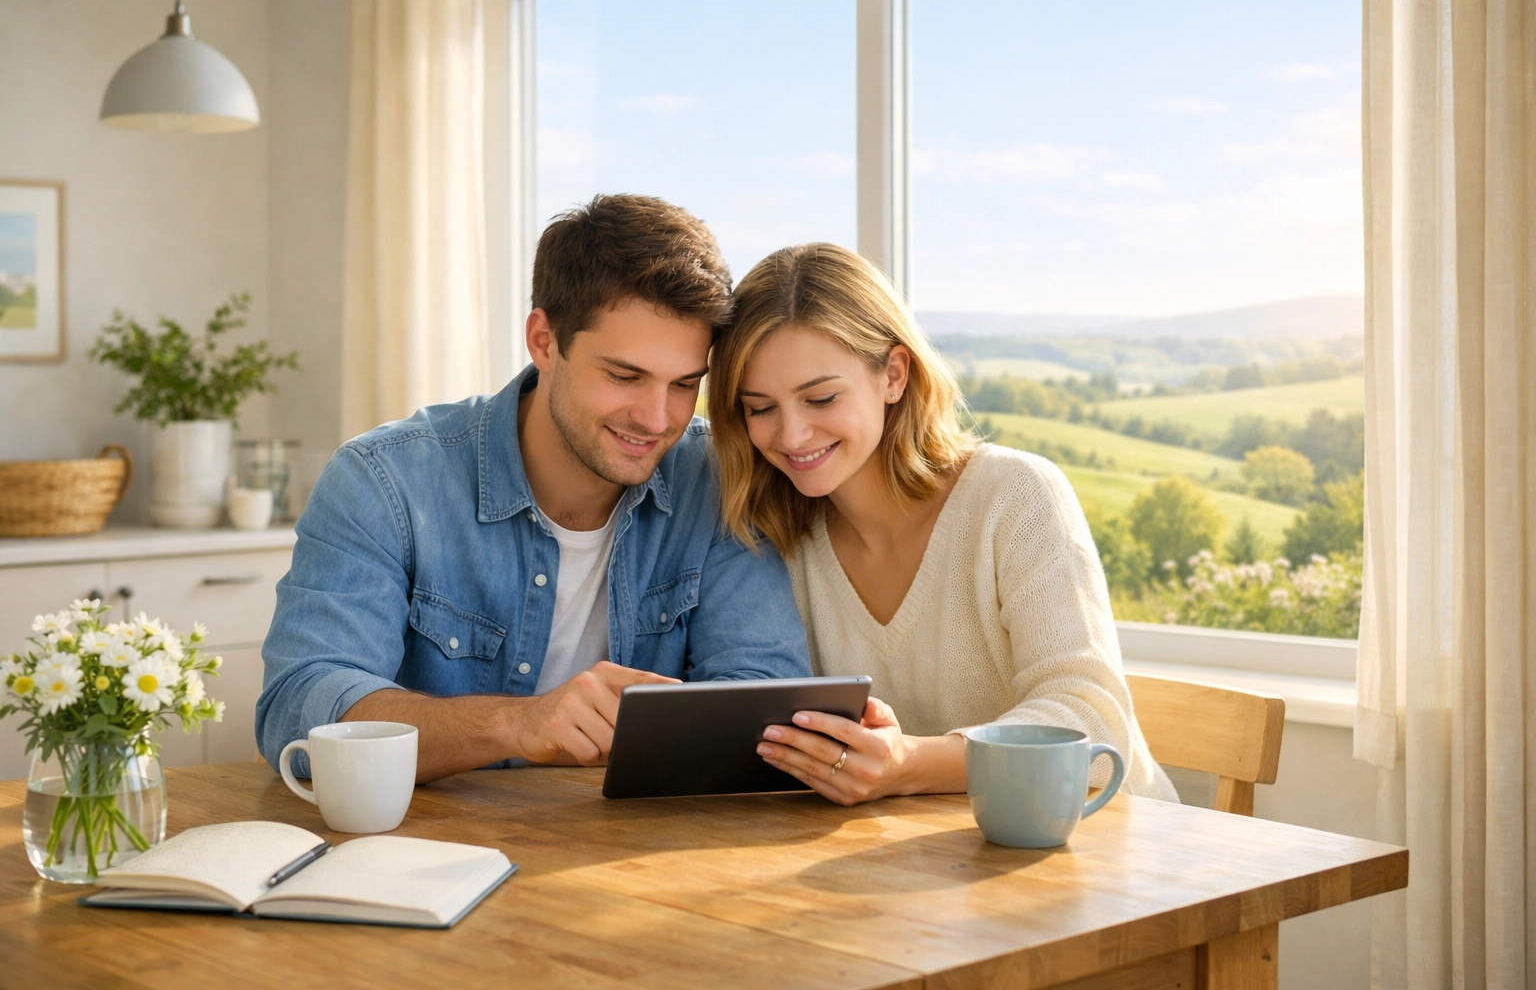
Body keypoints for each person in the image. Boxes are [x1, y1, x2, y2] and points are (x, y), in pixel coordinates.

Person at [257, 195, 812, 783]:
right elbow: (300, 706)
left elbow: (768, 700)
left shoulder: (716, 480)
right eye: (625, 376)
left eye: (683, 384)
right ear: (544, 341)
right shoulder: (384, 480)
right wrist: (514, 724)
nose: (656, 419)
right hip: (426, 852)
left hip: (632, 850)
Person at [707, 243, 1176, 805]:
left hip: (1099, 845)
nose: (791, 435)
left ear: (894, 375)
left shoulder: (1015, 496)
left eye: (821, 397)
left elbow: (1091, 720)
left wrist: (910, 765)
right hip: (931, 863)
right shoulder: (776, 533)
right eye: (760, 408)